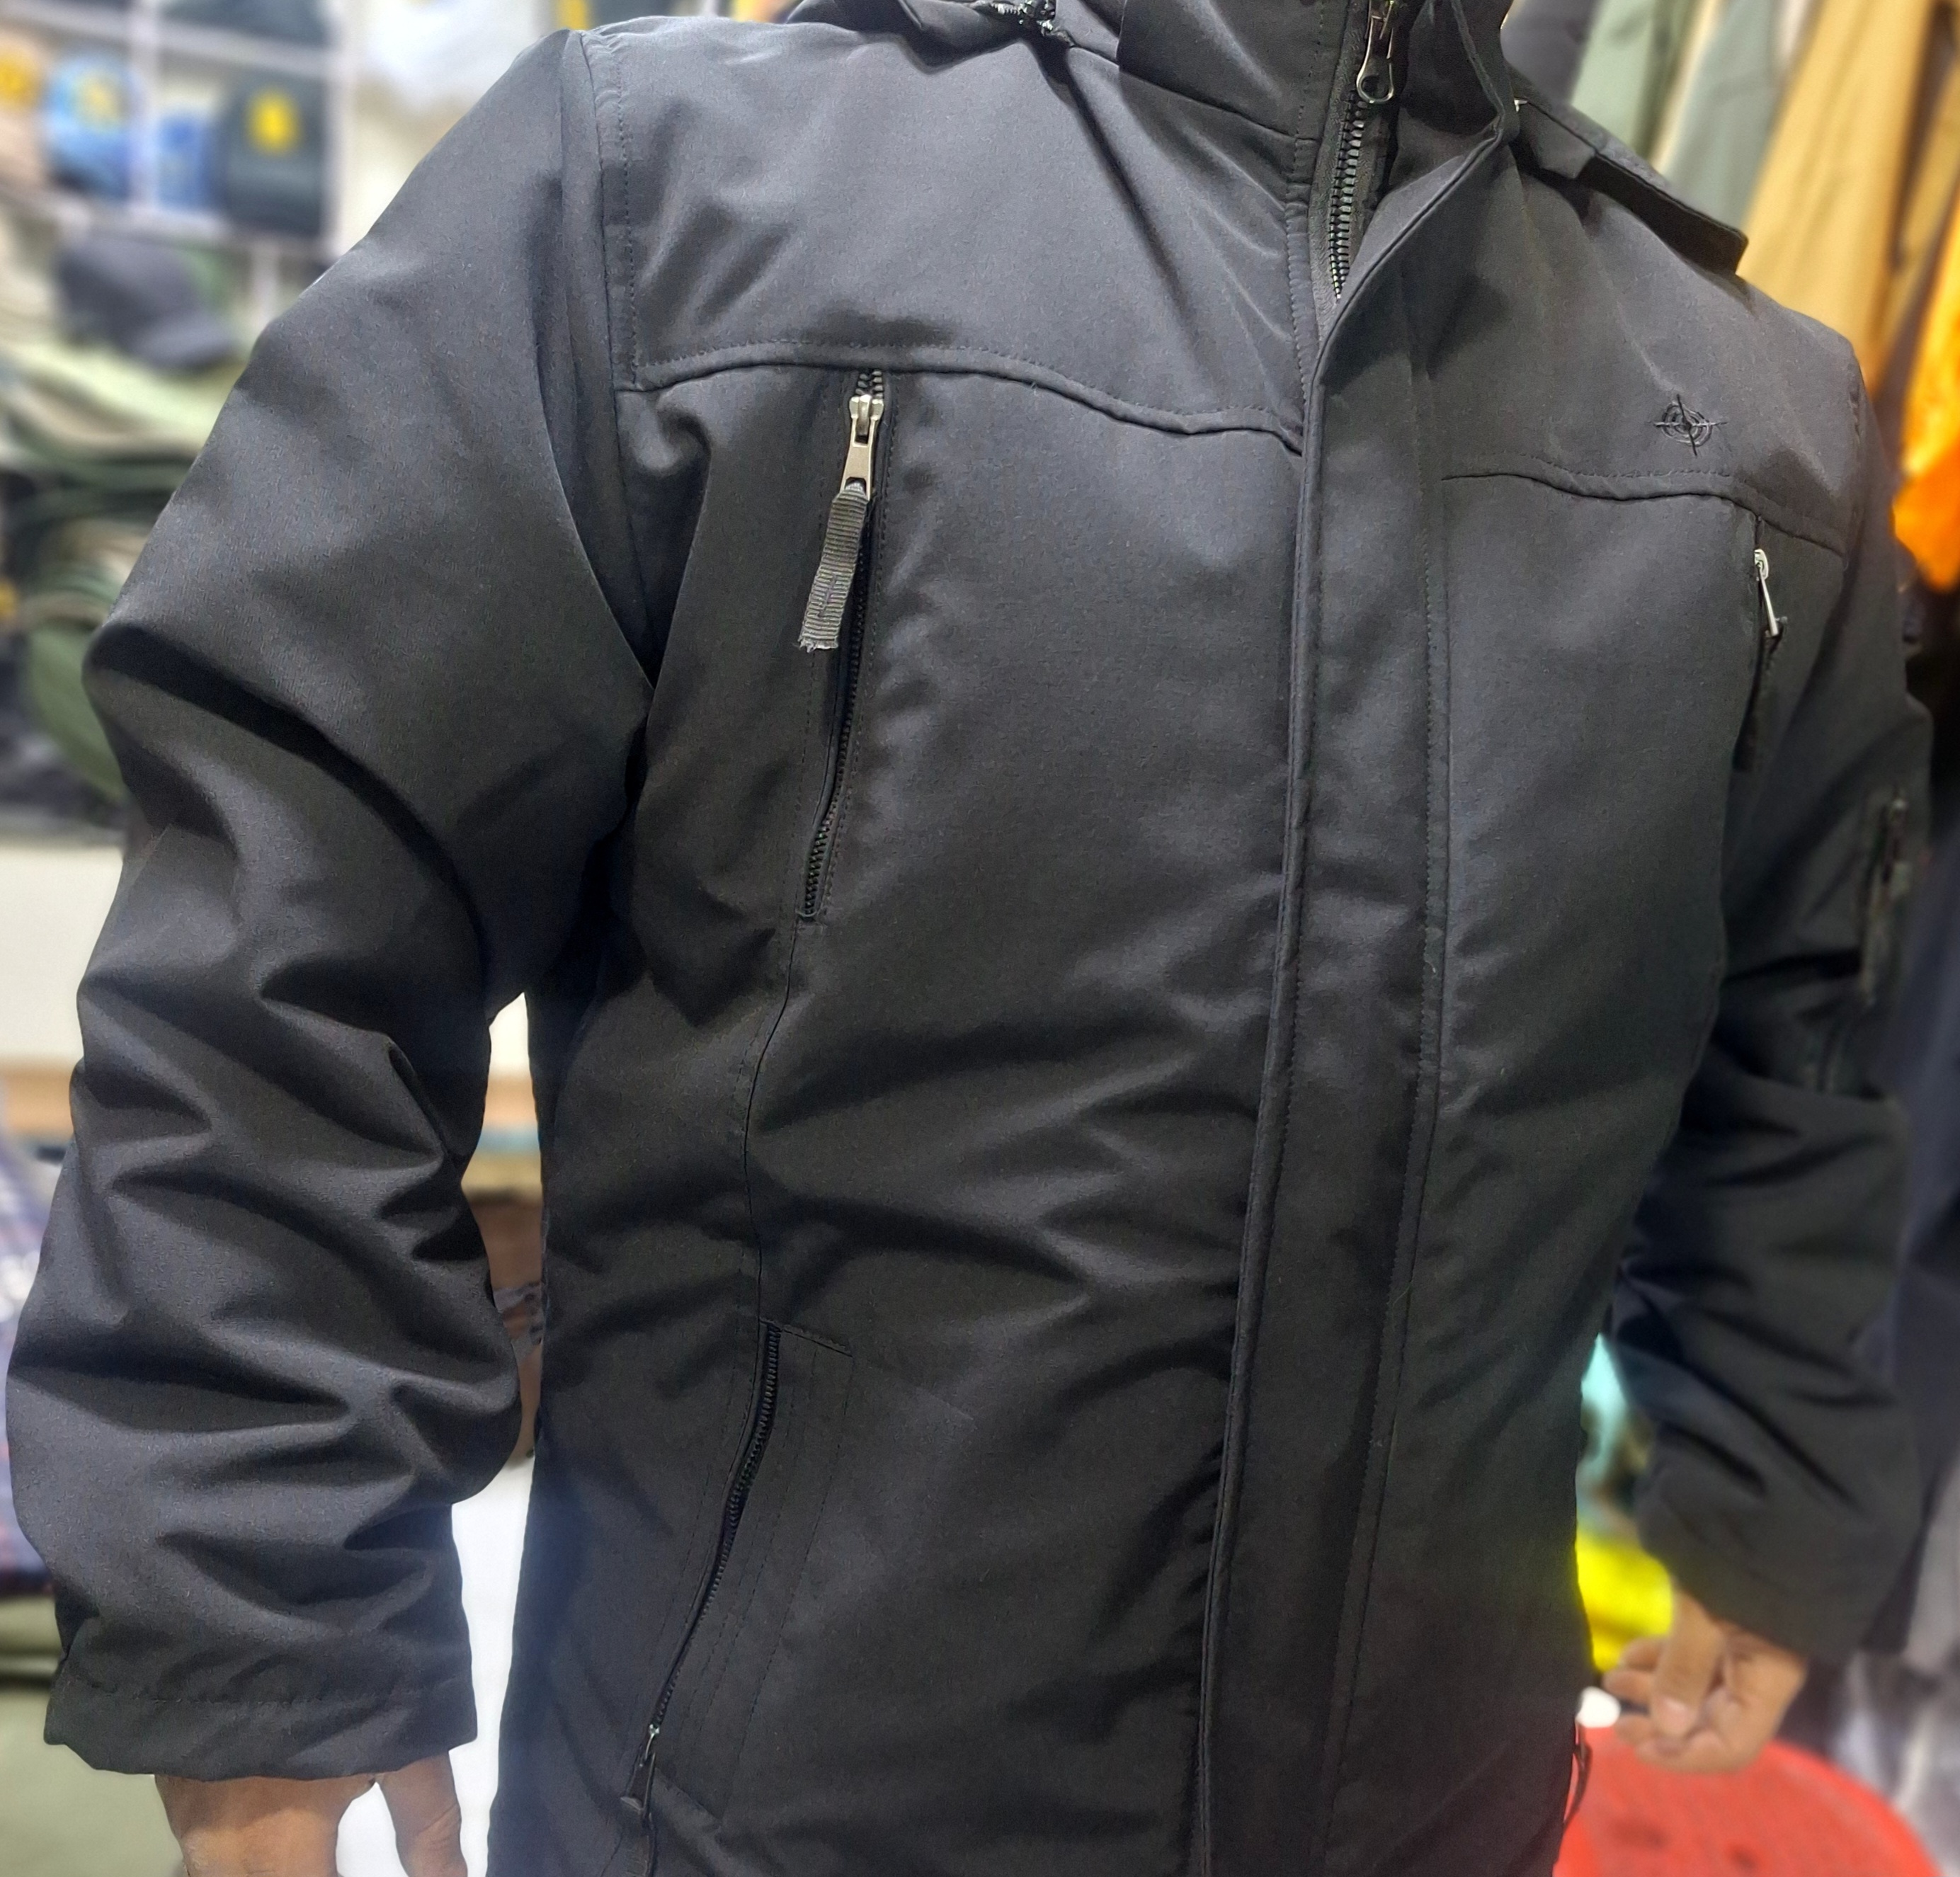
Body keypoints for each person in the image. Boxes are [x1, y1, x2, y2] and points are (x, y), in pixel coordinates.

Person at [5, 1, 1929, 1873]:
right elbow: (303, 898)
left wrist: (1772, 1481)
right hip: (751, 1808)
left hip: (1436, 1800)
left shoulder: (1755, 426)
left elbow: (1799, 1038)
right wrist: (264, 1597)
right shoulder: (675, 206)